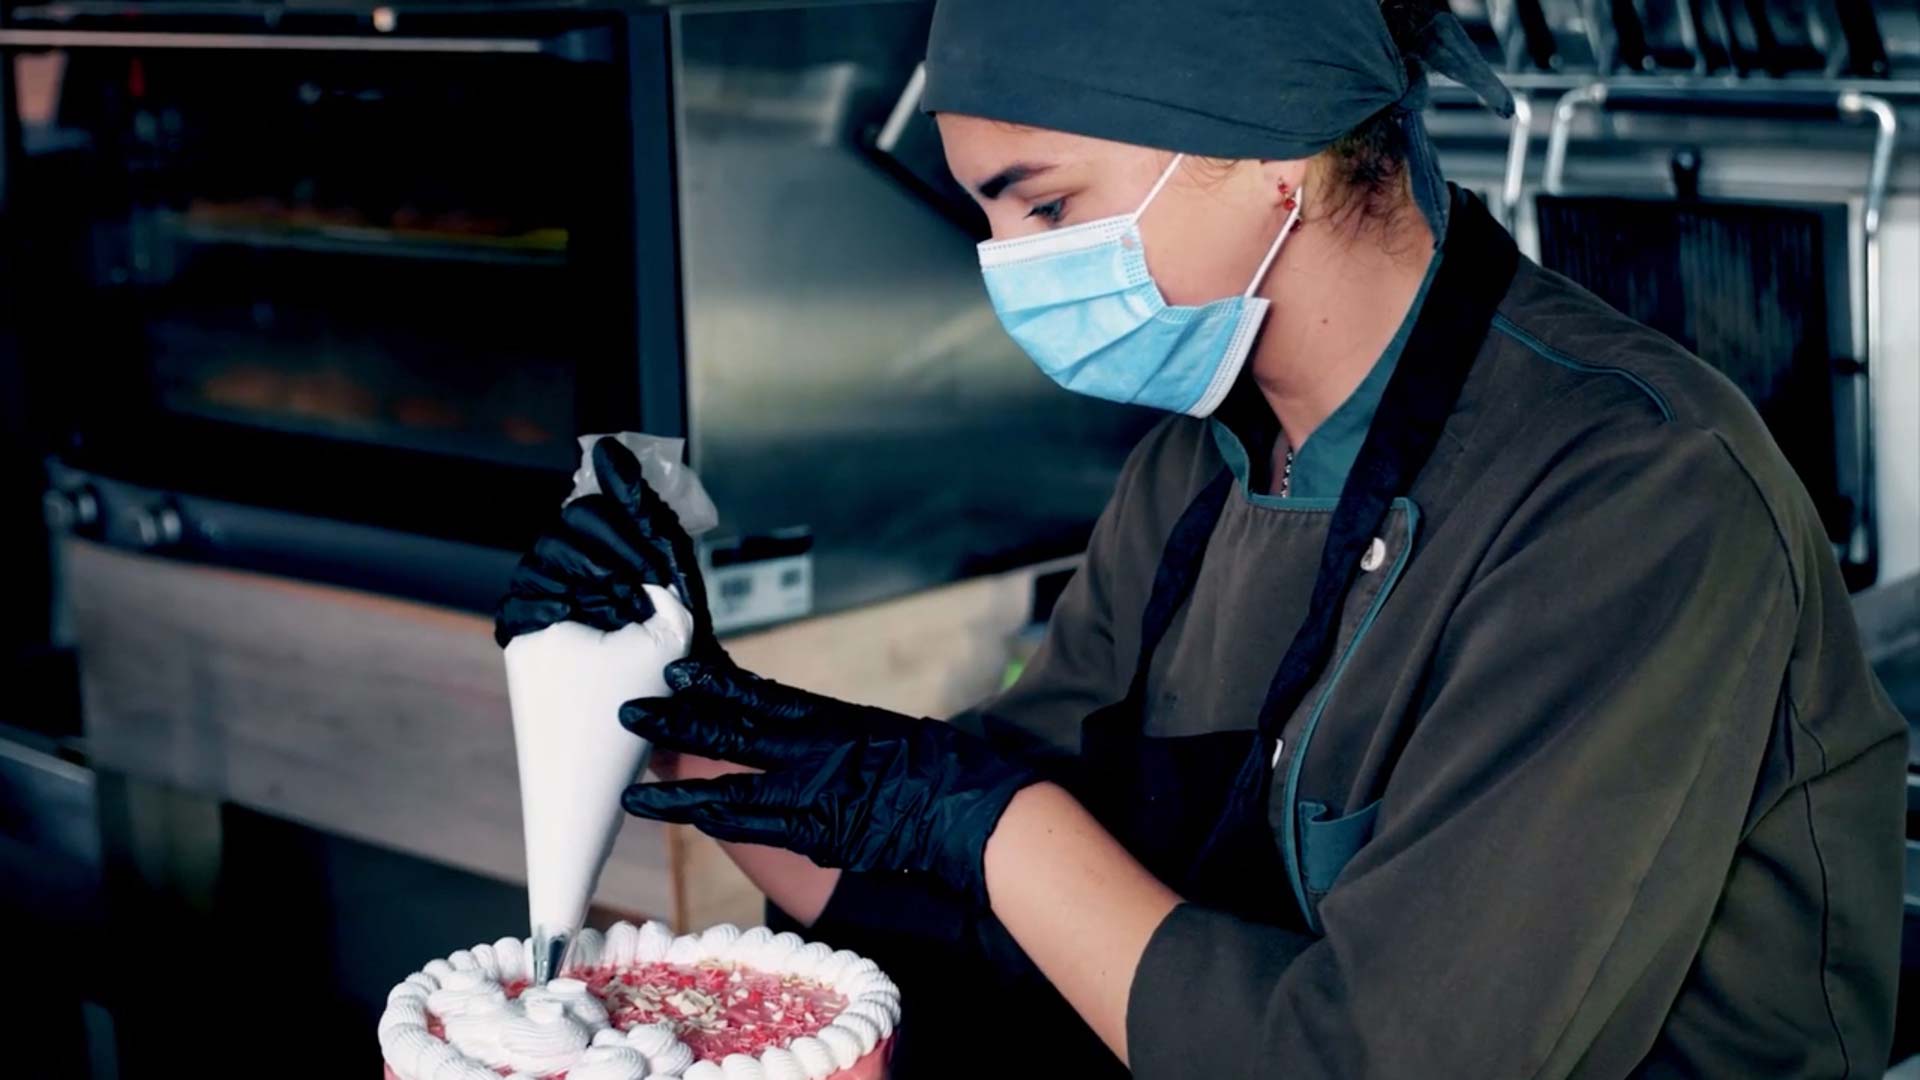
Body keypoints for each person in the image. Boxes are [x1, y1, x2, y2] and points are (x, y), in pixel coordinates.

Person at [496, 0, 1907, 1074]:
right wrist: (679, 712)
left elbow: (1386, 1058)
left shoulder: (1635, 497)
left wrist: (980, 816)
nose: (1006, 265)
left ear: (1267, 158)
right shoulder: (1198, 467)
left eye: (1044, 206)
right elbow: (1019, 901)